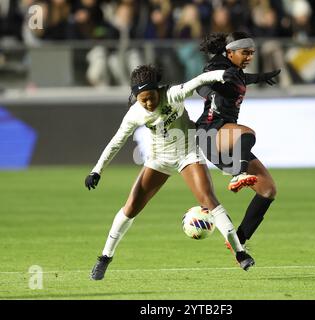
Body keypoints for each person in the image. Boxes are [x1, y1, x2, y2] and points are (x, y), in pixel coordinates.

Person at [85, 65, 255, 280]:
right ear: (135, 97)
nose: (148, 103)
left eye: (151, 97)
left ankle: (240, 253)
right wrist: (97, 170)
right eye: (142, 99)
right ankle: (104, 257)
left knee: (209, 200)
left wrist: (221, 75)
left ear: (159, 90)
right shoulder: (135, 113)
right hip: (159, 160)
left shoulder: (173, 94)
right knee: (130, 207)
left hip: (188, 154)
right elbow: (116, 142)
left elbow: (198, 80)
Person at [195, 31, 280, 262]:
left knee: (268, 190)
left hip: (227, 136)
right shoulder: (217, 65)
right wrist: (210, 90)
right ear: (230, 52)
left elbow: (239, 78)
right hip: (210, 131)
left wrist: (260, 77)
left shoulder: (235, 70)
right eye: (245, 53)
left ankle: (239, 241)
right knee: (247, 133)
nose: (249, 57)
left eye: (252, 53)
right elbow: (201, 85)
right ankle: (238, 174)